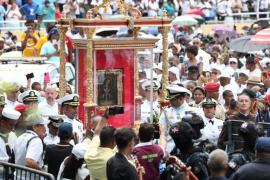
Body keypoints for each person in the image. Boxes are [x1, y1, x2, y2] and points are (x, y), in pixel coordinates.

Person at [159, 85, 194, 153]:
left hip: (187, 148)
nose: (170, 101)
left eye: (172, 99)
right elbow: (162, 132)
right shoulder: (166, 112)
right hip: (169, 147)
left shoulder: (192, 111)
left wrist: (176, 130)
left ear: (180, 99)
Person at [85, 111, 116, 180]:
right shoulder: (114, 159)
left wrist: (105, 116)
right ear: (114, 142)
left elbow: (96, 133)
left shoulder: (89, 154)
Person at [14, 112, 46, 179]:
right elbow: (29, 161)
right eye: (42, 125)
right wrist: (42, 171)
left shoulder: (20, 137)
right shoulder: (36, 140)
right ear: (34, 127)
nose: (45, 129)